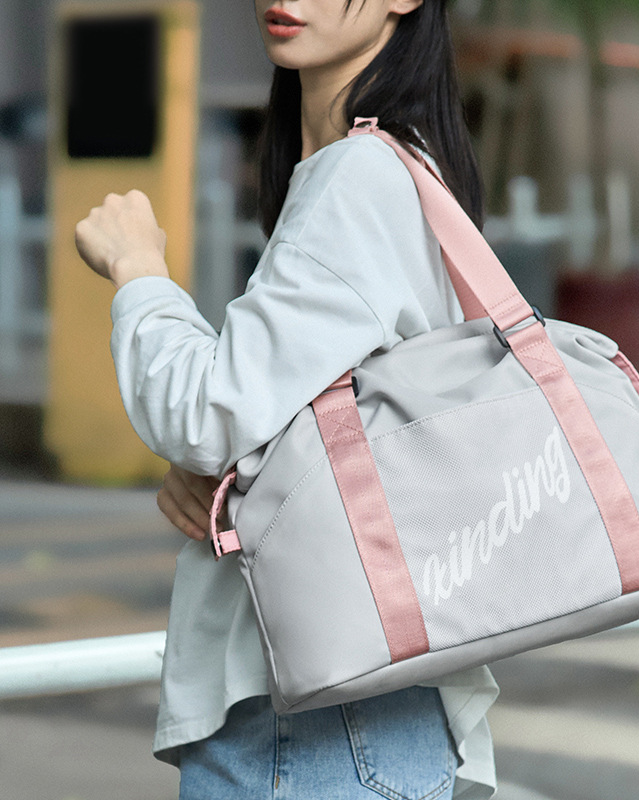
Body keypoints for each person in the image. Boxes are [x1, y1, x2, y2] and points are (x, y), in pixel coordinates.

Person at [75, 1, 499, 797]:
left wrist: (138, 271)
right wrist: (235, 475)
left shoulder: (360, 176)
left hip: (311, 727)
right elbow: (340, 415)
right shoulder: (403, 167)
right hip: (363, 712)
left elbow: (205, 415)